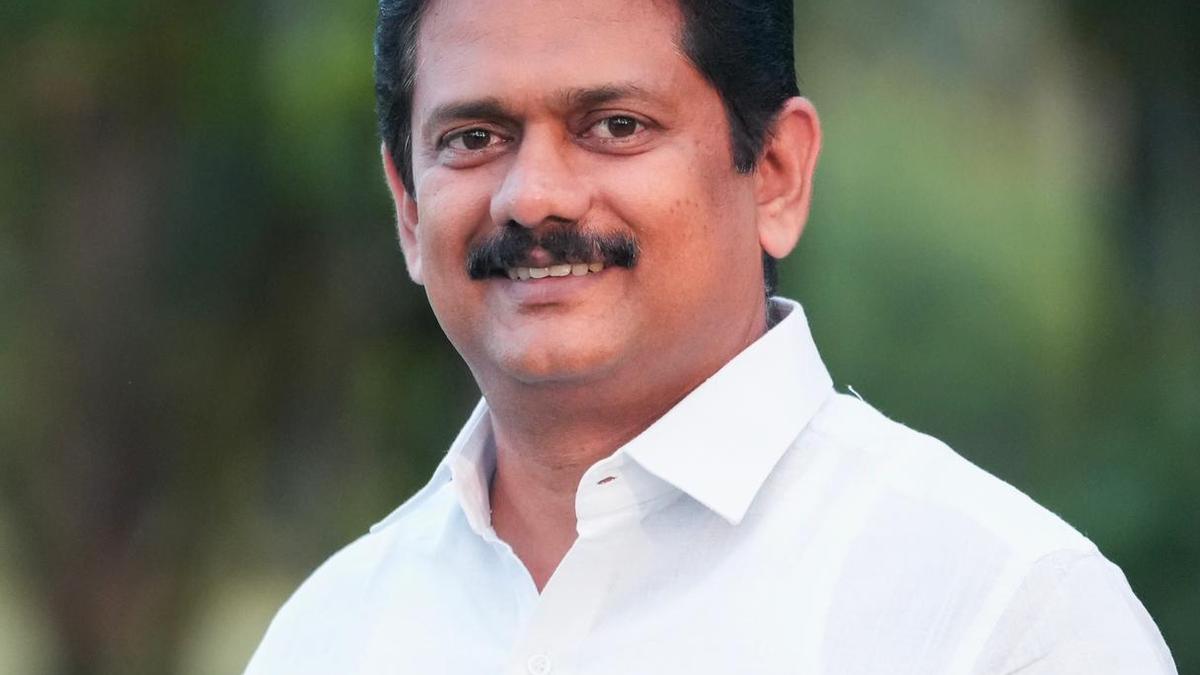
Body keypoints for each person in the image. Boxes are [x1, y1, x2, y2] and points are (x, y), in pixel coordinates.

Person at [245, 0, 1177, 672]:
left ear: (775, 172)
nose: (532, 197)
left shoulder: (1003, 616)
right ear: (409, 207)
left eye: (615, 125)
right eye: (474, 138)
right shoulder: (329, 636)